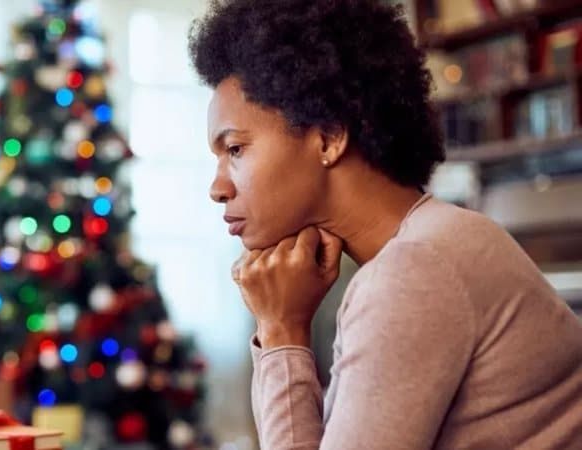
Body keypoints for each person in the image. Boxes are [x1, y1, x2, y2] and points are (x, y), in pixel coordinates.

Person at [187, 0, 582, 448]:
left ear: (329, 138)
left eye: (235, 149)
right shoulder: (434, 243)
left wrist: (280, 331)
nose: (217, 188)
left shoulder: (415, 272)